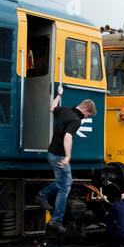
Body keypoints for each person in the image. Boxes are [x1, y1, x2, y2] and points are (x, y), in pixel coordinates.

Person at [34, 86, 97, 233]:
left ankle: (42, 195)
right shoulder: (76, 119)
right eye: (89, 115)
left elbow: (52, 108)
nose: (87, 118)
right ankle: (56, 220)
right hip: (59, 156)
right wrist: (68, 156)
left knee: (66, 182)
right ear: (85, 111)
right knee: (65, 187)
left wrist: (58, 95)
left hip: (52, 154)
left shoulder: (65, 110)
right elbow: (68, 137)